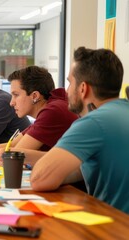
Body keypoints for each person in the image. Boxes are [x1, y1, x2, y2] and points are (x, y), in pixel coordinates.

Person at [30, 47, 129, 214]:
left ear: (83, 88)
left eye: (70, 82)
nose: (67, 90)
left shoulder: (93, 122)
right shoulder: (122, 111)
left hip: (114, 228)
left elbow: (39, 179)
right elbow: (84, 170)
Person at [0, 66, 78, 168]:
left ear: (35, 96)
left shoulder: (52, 111)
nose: (11, 102)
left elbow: (12, 156)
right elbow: (13, 145)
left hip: (75, 188)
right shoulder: (51, 107)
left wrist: (6, 153)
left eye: (16, 95)